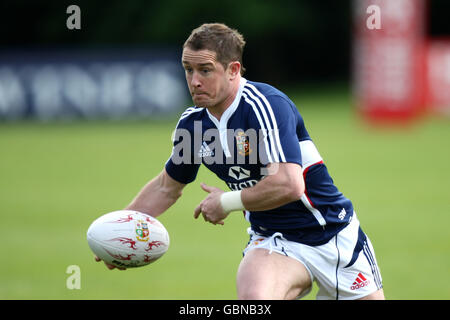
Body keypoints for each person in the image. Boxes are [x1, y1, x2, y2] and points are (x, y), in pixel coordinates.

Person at [95, 23, 384, 300]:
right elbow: (166, 188)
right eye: (188, 69)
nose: (194, 81)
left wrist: (225, 203)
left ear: (233, 70)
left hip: (333, 233)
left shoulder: (265, 105)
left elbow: (289, 184)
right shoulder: (193, 127)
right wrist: (120, 230)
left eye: (205, 70)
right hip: (273, 240)